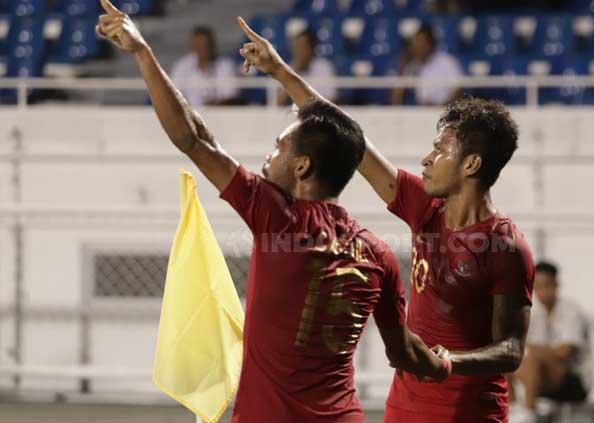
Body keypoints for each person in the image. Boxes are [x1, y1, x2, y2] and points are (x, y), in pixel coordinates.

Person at [95, 3, 449, 423]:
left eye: (279, 147)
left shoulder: (277, 217)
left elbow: (193, 139)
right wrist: (445, 365)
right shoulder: (379, 254)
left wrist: (141, 53)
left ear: (302, 167)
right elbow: (405, 353)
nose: (268, 156)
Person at [239, 17, 535, 423]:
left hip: (469, 413)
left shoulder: (506, 247)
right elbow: (349, 137)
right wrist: (279, 70)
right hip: (403, 409)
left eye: (440, 151)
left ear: (471, 163)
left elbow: (512, 350)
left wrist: (449, 363)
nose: (427, 159)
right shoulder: (425, 210)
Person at [509, 261, 593, 423]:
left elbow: (564, 353)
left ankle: (528, 414)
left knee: (530, 360)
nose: (543, 292)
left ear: (556, 285)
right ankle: (513, 410)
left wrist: (531, 349)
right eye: (538, 287)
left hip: (574, 380)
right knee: (506, 361)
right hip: (541, 376)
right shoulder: (532, 312)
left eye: (547, 286)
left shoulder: (571, 312)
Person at [391, 24, 463, 106]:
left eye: (421, 43)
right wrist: (402, 68)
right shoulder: (412, 65)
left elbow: (458, 90)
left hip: (444, 111)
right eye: (415, 43)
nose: (417, 47)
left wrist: (442, 107)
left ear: (430, 44)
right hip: (420, 112)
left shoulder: (447, 62)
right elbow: (395, 101)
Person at [170, 26, 239, 106]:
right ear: (193, 46)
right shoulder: (182, 66)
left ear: (212, 45)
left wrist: (211, 107)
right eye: (199, 45)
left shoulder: (225, 65)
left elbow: (230, 96)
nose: (203, 48)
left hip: (219, 114)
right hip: (188, 114)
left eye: (206, 45)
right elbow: (173, 95)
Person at [277, 29, 336, 105]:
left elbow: (332, 101)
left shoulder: (324, 68)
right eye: (296, 47)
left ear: (310, 49)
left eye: (301, 47)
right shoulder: (288, 69)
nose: (298, 51)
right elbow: (277, 103)